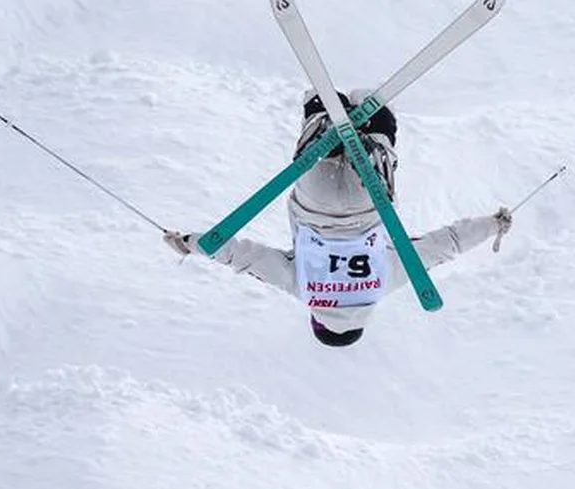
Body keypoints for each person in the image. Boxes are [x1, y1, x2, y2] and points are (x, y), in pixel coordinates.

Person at [164, 94, 512, 345]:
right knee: (321, 106)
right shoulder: (304, 290)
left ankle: (376, 133)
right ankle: (321, 123)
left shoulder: (383, 284)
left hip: (368, 197)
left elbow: (445, 245)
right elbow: (242, 257)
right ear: (317, 321)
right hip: (316, 198)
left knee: (376, 113)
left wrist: (493, 224)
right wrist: (191, 244)